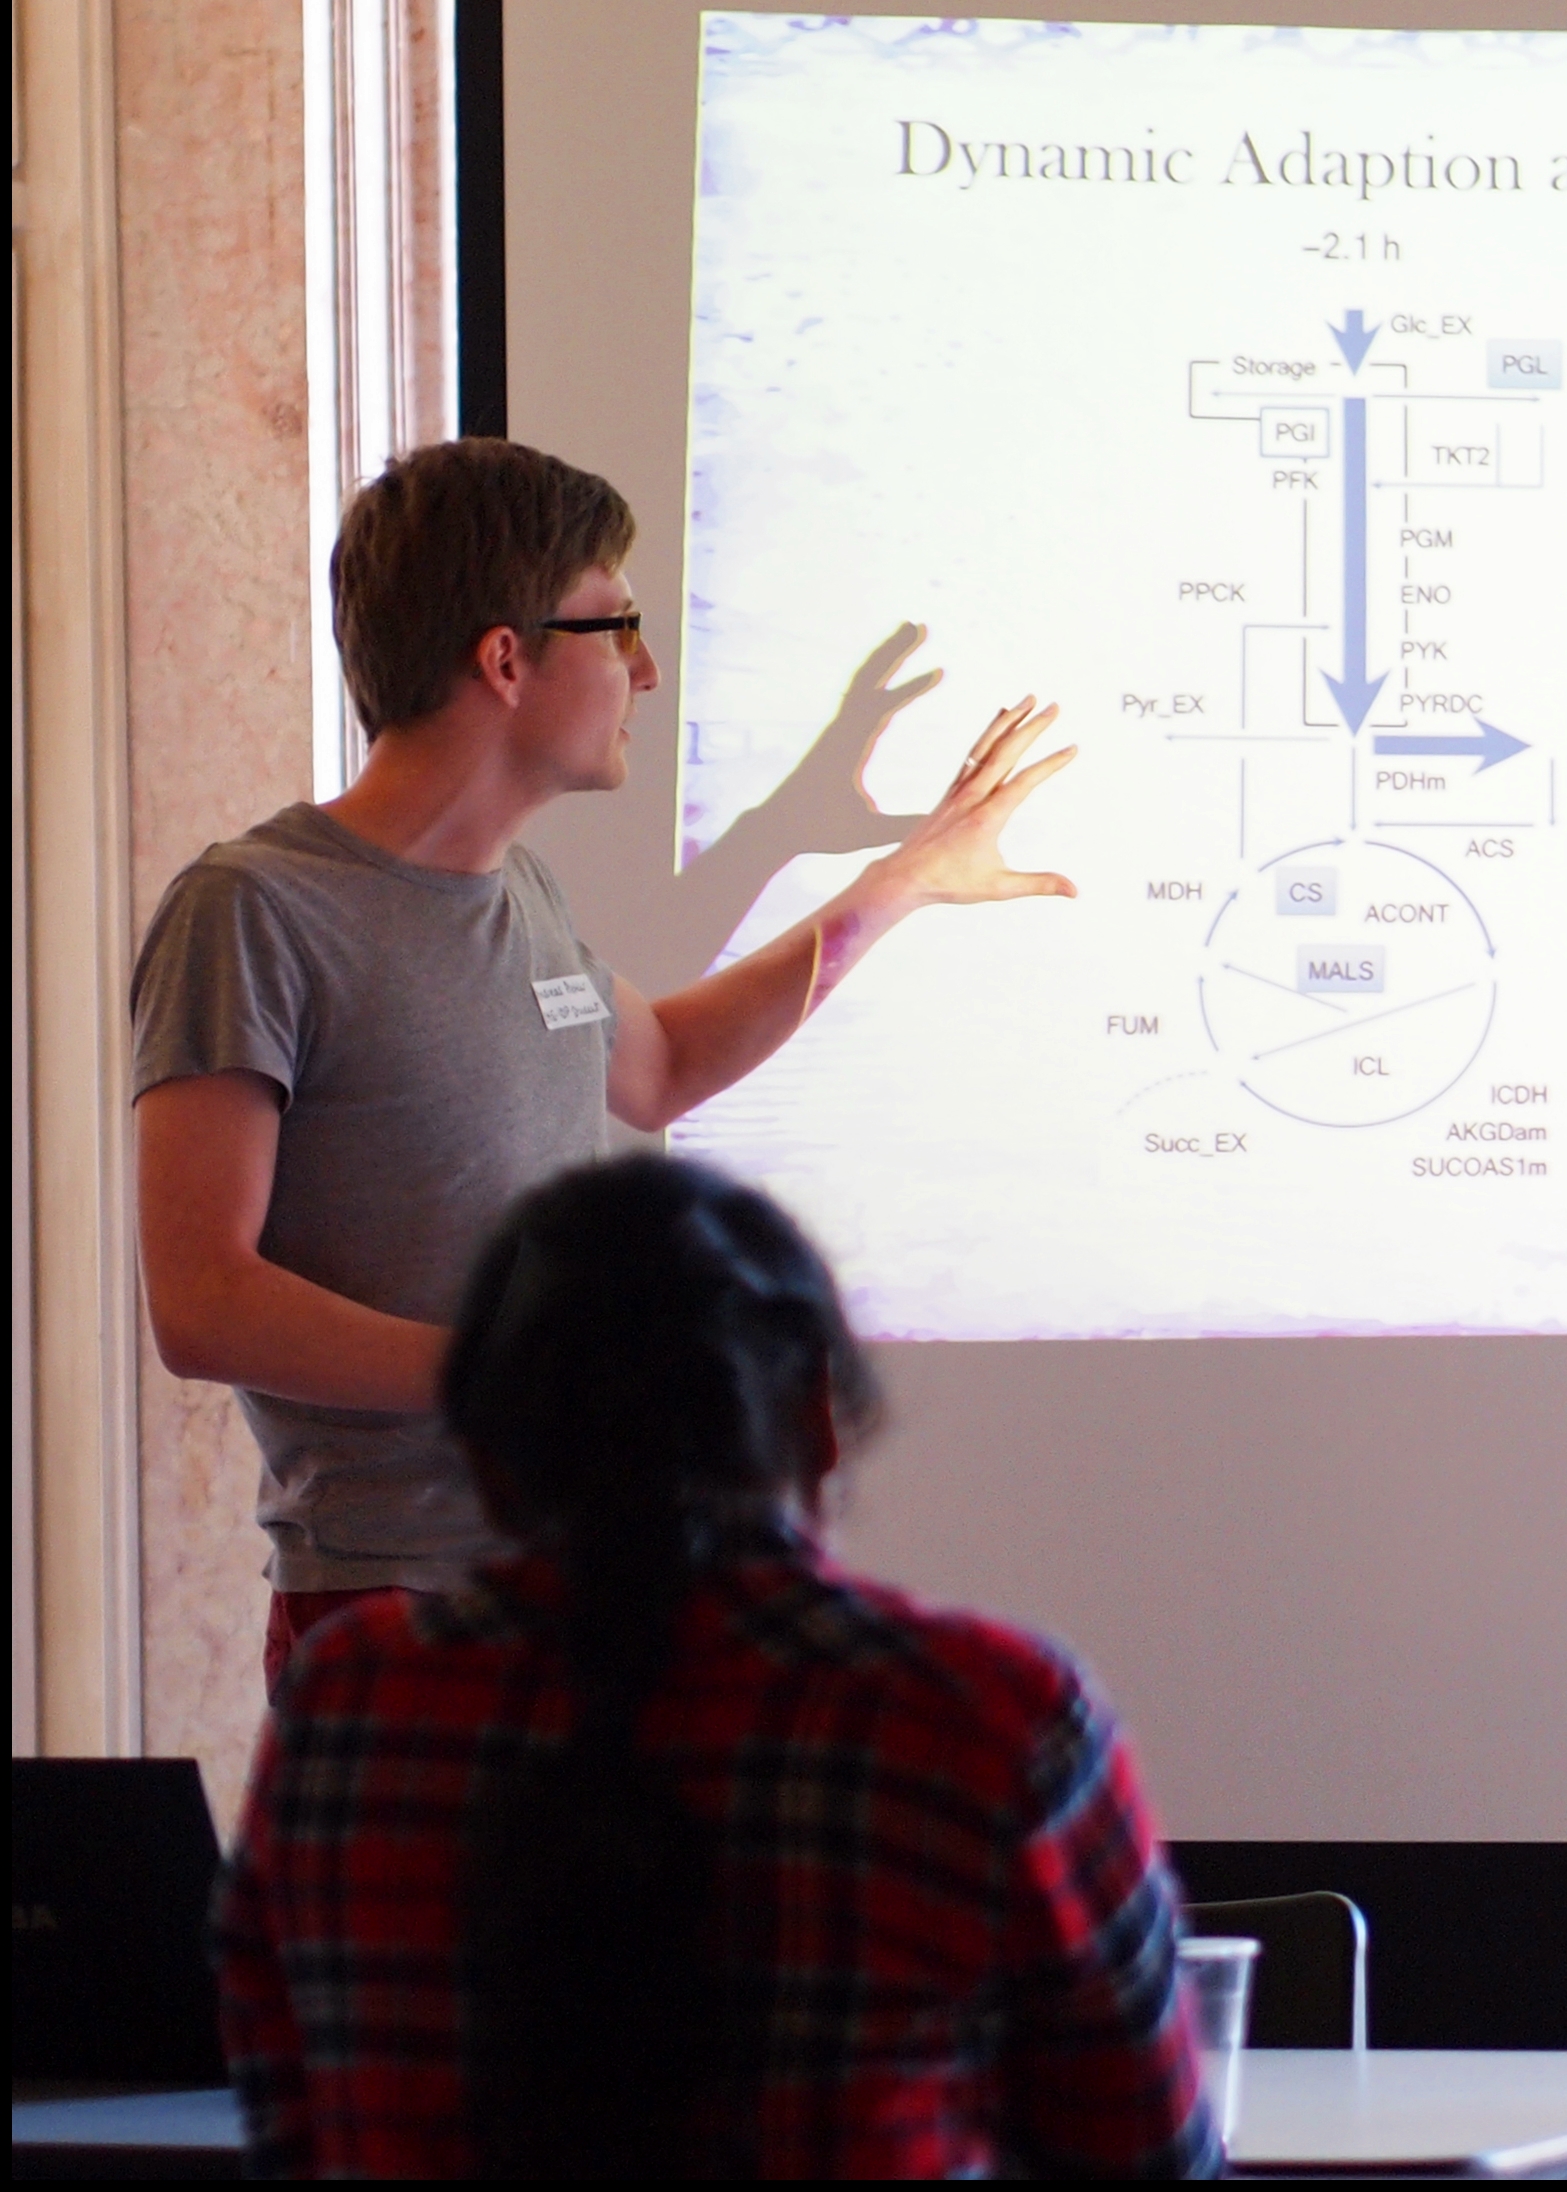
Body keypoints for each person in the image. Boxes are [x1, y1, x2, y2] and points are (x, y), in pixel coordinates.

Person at [131, 439, 1073, 1695]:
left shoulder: (520, 890)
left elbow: (665, 1061)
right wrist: (520, 1375)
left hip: (593, 1585)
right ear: (505, 659)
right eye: (615, 624)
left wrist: (898, 885)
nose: (646, 668)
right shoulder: (254, 909)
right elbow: (202, 1301)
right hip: (401, 1606)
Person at [214, 1155, 1218, 2179]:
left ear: (485, 1449)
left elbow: (288, 2129)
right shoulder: (982, 1715)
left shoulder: (349, 1707)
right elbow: (1148, 2155)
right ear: (815, 1418)